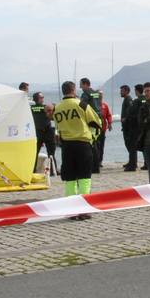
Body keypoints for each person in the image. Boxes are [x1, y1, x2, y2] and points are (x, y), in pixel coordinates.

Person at [53, 81, 102, 218]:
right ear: (74, 90)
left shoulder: (57, 107)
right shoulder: (81, 104)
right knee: (84, 177)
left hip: (67, 146)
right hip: (82, 144)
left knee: (70, 178)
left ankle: (71, 210)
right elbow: (96, 122)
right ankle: (84, 209)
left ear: (63, 91)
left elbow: (57, 127)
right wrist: (93, 137)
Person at [79, 77, 106, 172]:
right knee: (97, 143)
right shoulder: (97, 93)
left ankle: (93, 166)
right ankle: (97, 164)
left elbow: (82, 106)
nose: (80, 86)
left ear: (86, 84)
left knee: (92, 143)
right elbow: (100, 103)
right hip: (99, 118)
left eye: (81, 84)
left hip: (91, 119)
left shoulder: (85, 94)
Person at [30, 92, 55, 174]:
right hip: (47, 131)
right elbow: (52, 116)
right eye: (42, 97)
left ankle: (32, 170)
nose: (43, 99)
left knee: (34, 153)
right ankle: (53, 171)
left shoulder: (31, 108)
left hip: (38, 132)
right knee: (51, 153)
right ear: (38, 99)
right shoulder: (45, 107)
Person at [118, 84, 139, 170]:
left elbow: (130, 111)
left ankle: (133, 164)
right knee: (129, 145)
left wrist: (125, 119)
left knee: (131, 145)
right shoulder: (126, 99)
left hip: (128, 127)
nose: (120, 92)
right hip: (126, 127)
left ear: (126, 91)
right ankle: (131, 161)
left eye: (122, 91)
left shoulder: (128, 99)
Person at [132, 81, 149, 171]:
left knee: (140, 144)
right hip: (146, 124)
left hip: (138, 125)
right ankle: (147, 162)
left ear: (137, 91)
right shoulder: (146, 99)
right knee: (146, 144)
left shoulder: (137, 100)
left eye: (135, 90)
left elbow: (133, 112)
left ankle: (145, 163)